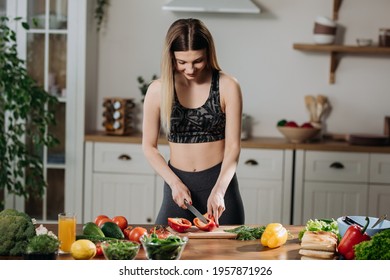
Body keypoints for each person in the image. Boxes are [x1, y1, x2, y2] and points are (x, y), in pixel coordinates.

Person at [142, 18, 244, 226]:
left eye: (198, 61)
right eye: (182, 62)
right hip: (177, 188)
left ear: (208, 53)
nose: (190, 69)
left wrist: (219, 190)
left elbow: (233, 147)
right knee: (164, 255)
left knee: (226, 257)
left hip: (220, 188)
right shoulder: (157, 90)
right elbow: (149, 147)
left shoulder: (228, 86)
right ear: (171, 57)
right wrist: (174, 183)